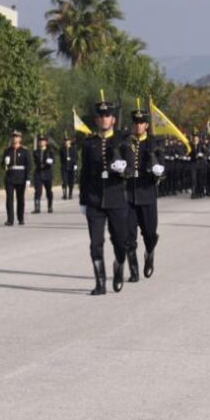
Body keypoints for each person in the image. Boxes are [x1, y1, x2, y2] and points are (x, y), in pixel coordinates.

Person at [78, 101, 134, 295]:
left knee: (121, 241)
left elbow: (132, 170)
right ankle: (100, 283)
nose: (104, 119)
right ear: (96, 119)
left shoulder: (123, 142)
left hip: (116, 198)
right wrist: (83, 200)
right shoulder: (89, 143)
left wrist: (124, 170)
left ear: (113, 119)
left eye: (107, 116)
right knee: (95, 243)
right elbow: (84, 174)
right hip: (94, 200)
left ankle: (119, 266)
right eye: (101, 116)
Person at [125, 108, 165, 280]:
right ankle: (133, 270)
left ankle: (149, 253)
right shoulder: (125, 143)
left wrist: (158, 171)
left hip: (147, 194)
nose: (138, 126)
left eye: (141, 123)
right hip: (128, 196)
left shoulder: (154, 143)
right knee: (128, 236)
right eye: (135, 123)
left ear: (146, 125)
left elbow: (162, 169)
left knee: (150, 234)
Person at [2, 131, 31, 226]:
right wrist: (5, 163)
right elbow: (2, 165)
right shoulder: (7, 151)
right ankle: (10, 219)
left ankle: (20, 218)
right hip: (10, 177)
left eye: (17, 137)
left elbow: (28, 166)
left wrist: (28, 179)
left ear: (20, 139)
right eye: (13, 136)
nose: (15, 138)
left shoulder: (24, 151)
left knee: (20, 199)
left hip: (21, 177)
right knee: (9, 199)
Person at [32, 134, 55, 213]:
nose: (41, 142)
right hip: (38, 173)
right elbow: (36, 160)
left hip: (47, 172)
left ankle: (50, 206)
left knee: (49, 191)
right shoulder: (36, 152)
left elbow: (53, 160)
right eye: (40, 141)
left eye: (43, 141)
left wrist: (50, 161)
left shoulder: (50, 151)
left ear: (46, 142)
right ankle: (37, 207)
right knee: (38, 191)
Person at [60, 136, 78, 200]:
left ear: (70, 141)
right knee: (64, 181)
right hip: (64, 167)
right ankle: (64, 194)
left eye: (67, 140)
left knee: (71, 181)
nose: (66, 142)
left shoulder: (73, 149)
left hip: (71, 167)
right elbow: (61, 159)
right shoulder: (62, 149)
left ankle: (70, 194)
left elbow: (76, 157)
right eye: (65, 141)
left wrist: (75, 165)